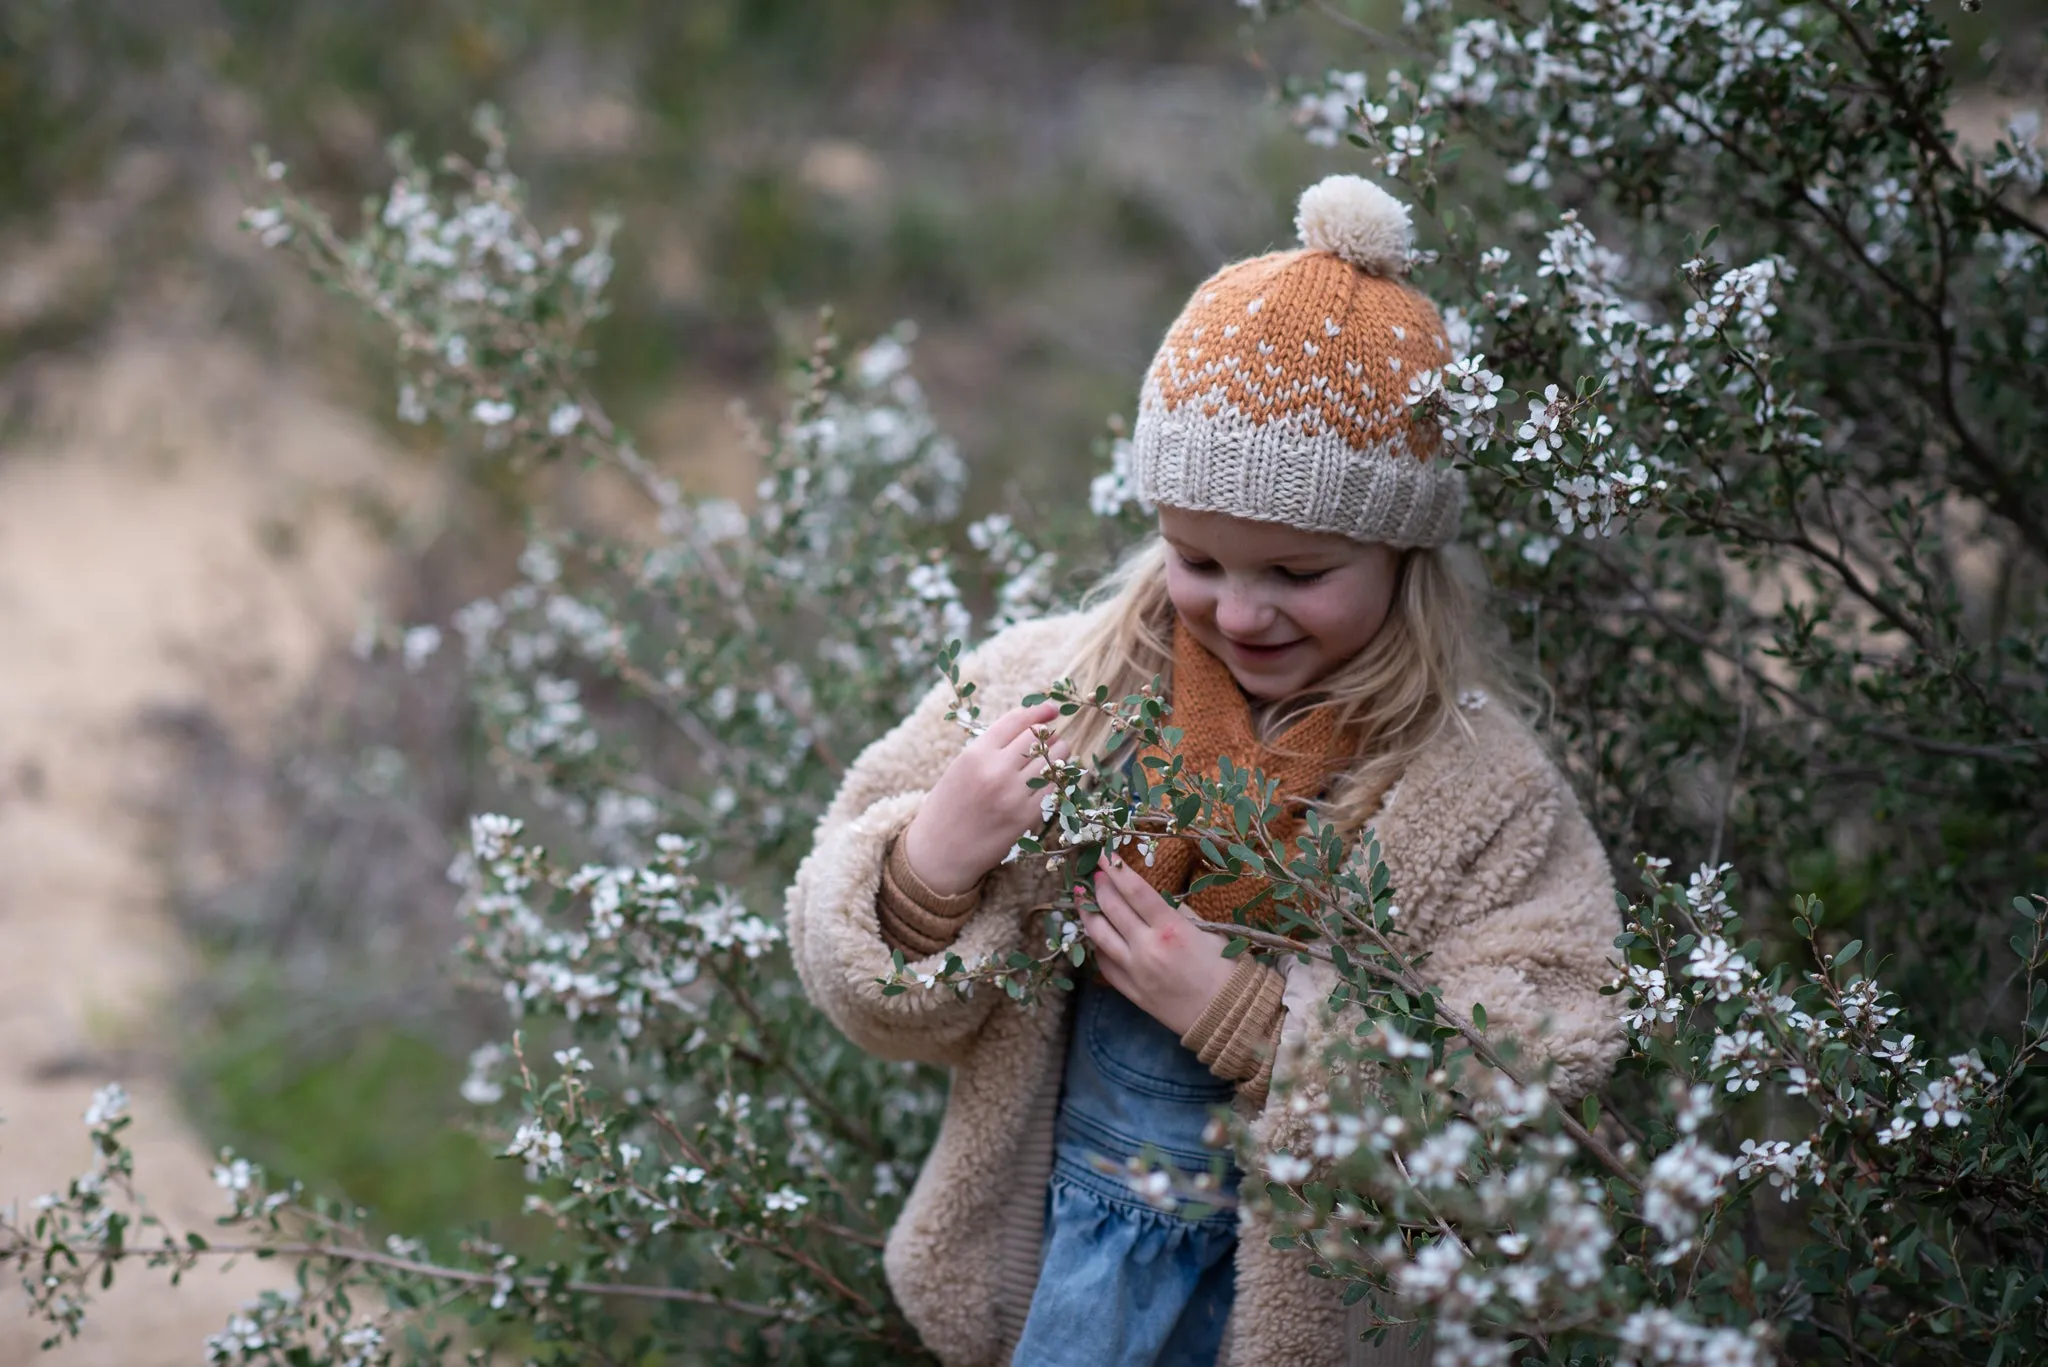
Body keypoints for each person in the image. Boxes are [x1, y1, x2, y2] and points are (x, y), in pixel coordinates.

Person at [787, 175, 1624, 1367]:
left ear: (1403, 552)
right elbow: (867, 988)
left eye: (1295, 571)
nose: (1240, 609)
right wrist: (928, 862)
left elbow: (1556, 1025)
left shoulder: (1474, 783)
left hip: (1312, 1313)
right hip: (1057, 1271)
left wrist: (1267, 1025)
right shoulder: (1057, 693)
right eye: (1197, 557)